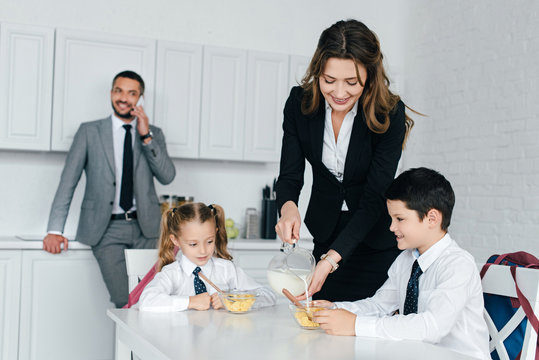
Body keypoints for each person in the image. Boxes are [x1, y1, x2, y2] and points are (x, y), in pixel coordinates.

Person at [275, 19, 415, 302]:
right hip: (326, 235)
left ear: (370, 75)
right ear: (318, 72)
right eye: (329, 81)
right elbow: (290, 176)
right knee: (321, 331)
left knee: (367, 333)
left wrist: (330, 261)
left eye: (352, 82)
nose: (339, 93)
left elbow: (374, 198)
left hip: (375, 243)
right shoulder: (299, 105)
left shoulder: (389, 114)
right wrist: (287, 208)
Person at [312, 167, 490, 360]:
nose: (391, 227)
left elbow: (432, 327)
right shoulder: (406, 260)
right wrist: (335, 310)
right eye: (391, 218)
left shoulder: (457, 264)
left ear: (432, 218)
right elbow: (380, 306)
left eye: (400, 219)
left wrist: (355, 325)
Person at [43, 70, 176, 308]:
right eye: (119, 90)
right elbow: (68, 181)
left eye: (132, 93)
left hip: (147, 230)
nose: (124, 98)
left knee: (152, 300)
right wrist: (54, 229)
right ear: (111, 93)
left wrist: (146, 136)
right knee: (124, 301)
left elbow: (167, 176)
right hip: (106, 230)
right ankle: (128, 346)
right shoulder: (89, 132)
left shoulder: (153, 134)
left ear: (140, 98)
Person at [138, 203, 276, 311]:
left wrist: (234, 300)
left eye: (209, 241)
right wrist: (190, 302)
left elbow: (269, 296)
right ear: (176, 241)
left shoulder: (226, 269)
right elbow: (147, 301)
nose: (203, 251)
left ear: (215, 234)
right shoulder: (171, 273)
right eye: (193, 244)